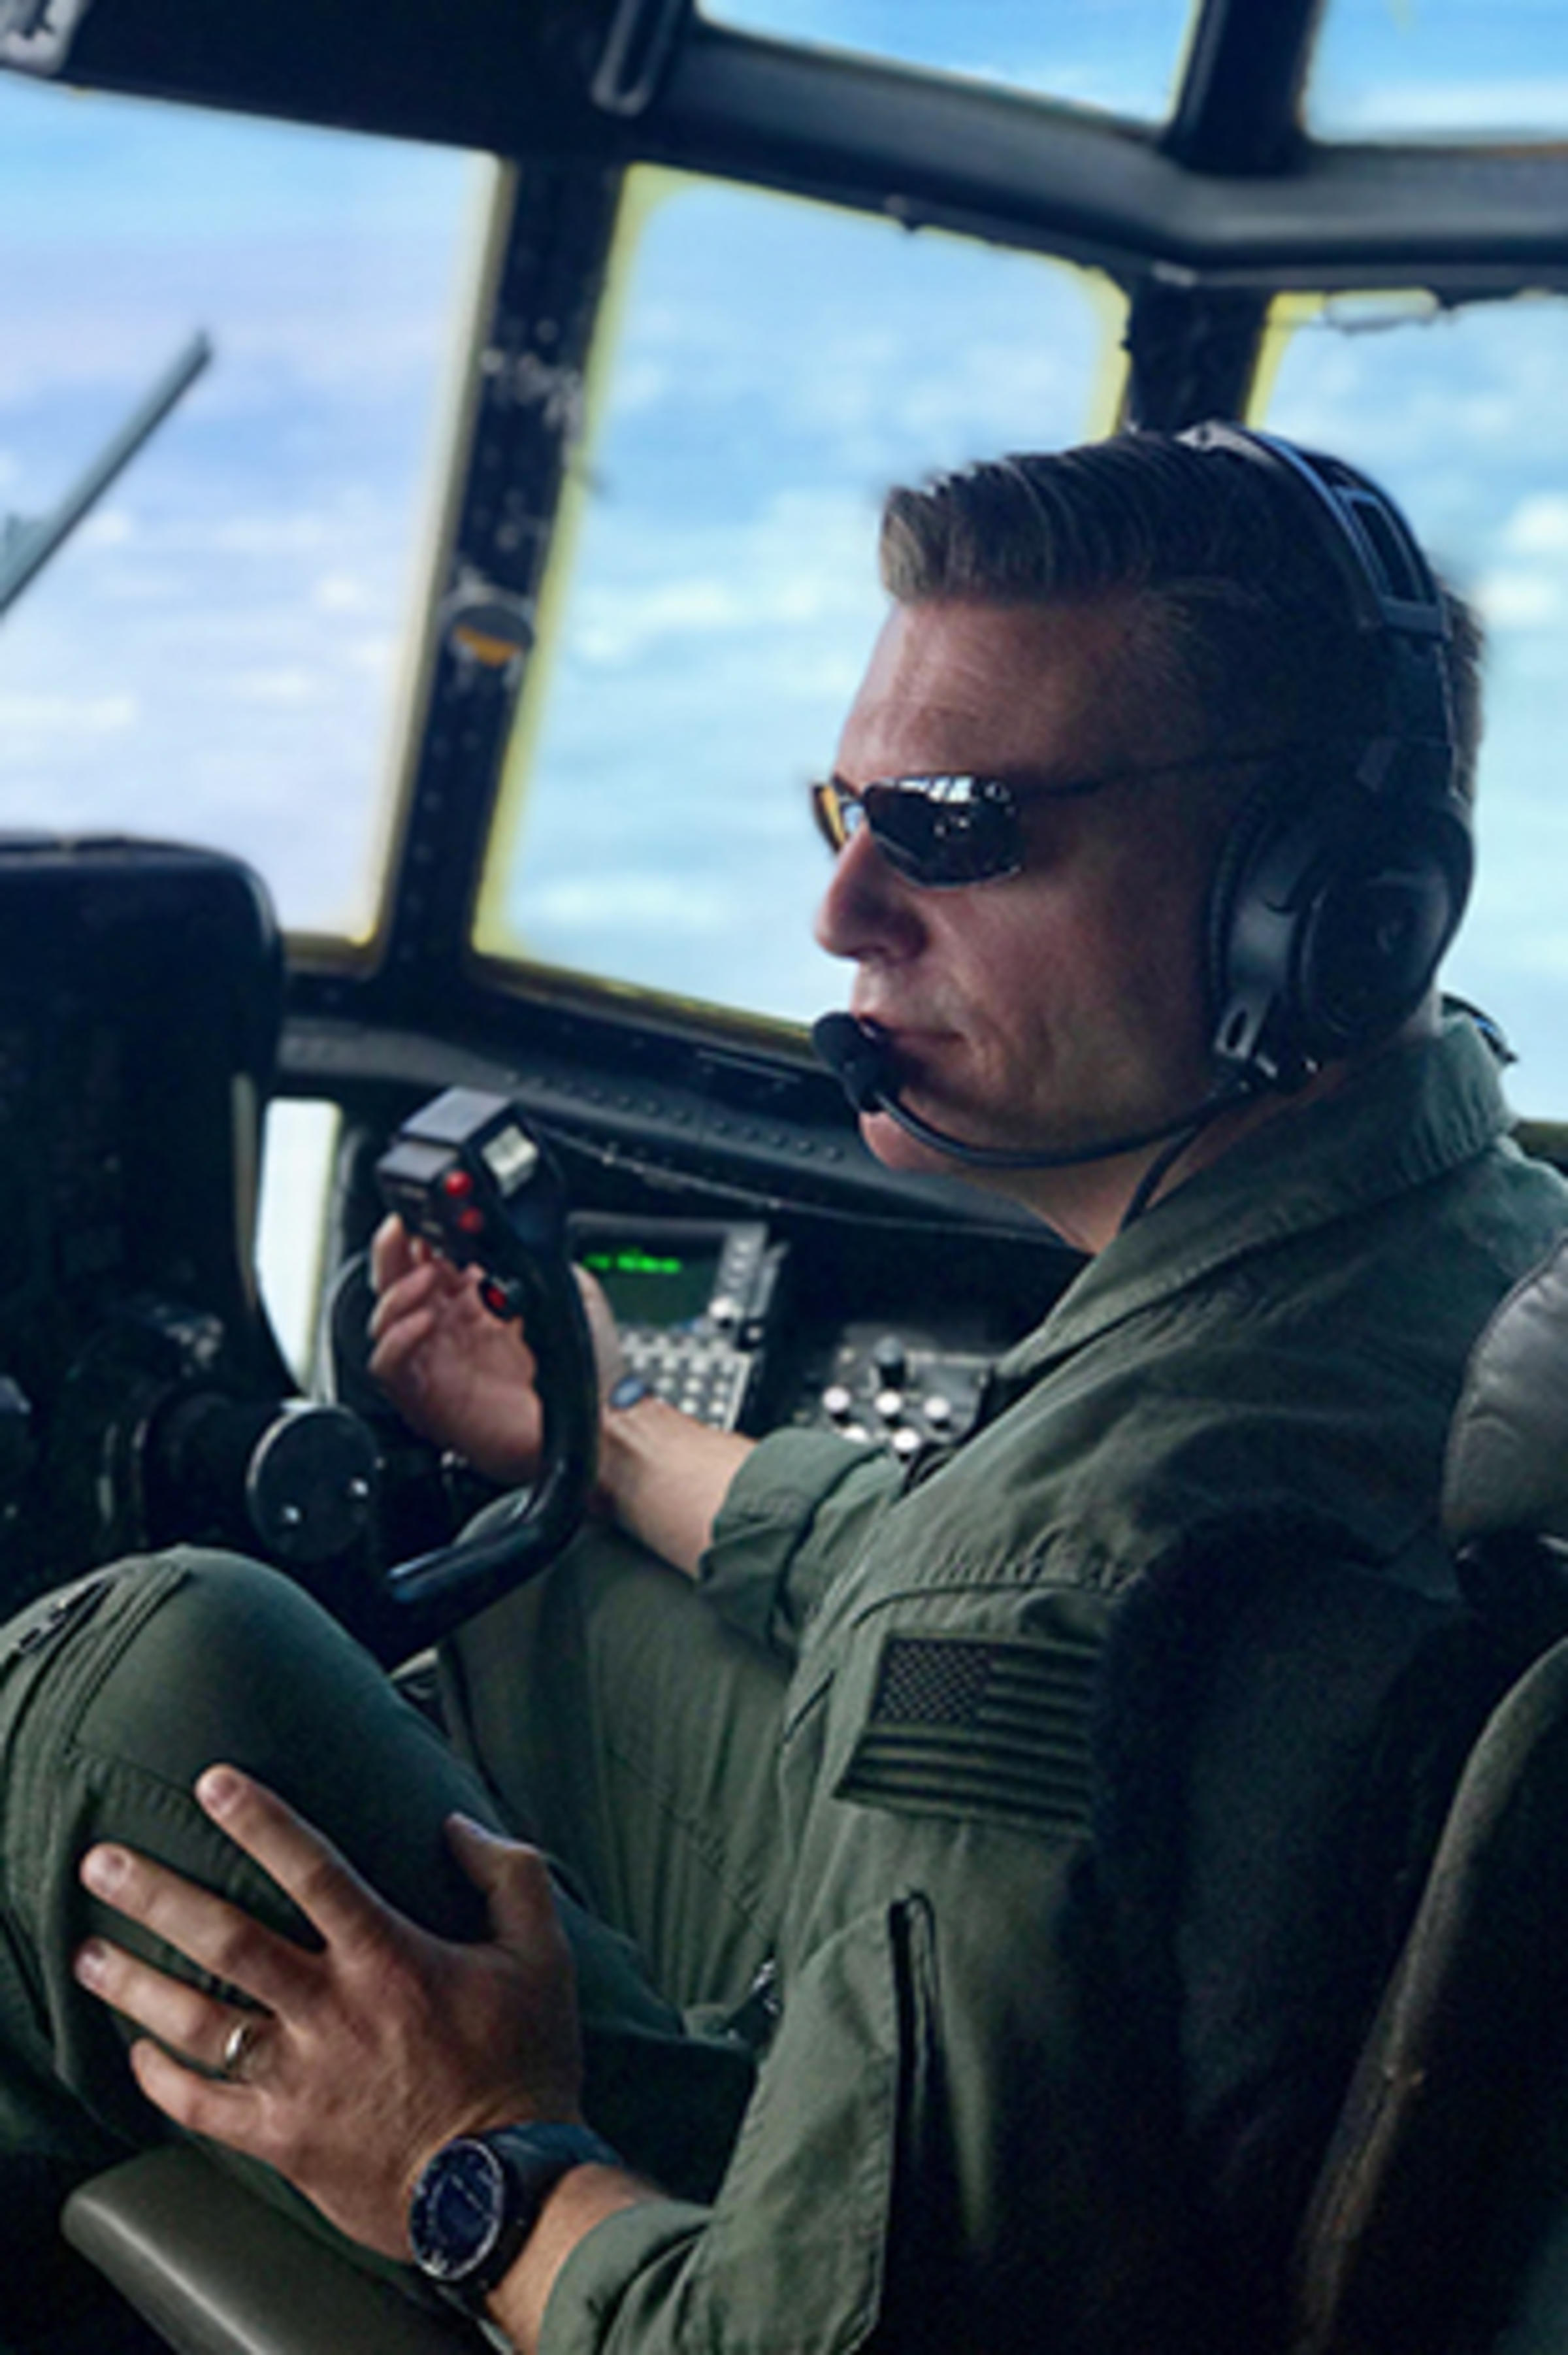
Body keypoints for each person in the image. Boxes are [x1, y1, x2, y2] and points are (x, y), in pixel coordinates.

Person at [1, 427, 1565, 2355]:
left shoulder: (1037, 1580)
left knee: (143, 1676)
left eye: (959, 828)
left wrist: (466, 2156)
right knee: (554, 1571)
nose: (842, 911)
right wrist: (586, 1427)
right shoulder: (1476, 1240)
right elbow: (965, 1572)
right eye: (849, 807)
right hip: (1193, 2127)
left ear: (1329, 911)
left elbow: (1014, 1594)